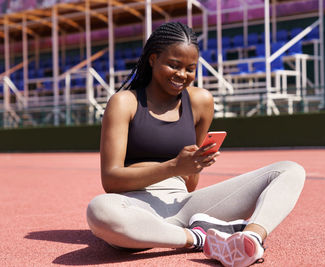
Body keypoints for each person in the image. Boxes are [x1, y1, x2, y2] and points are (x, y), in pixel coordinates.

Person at [86, 21, 306, 267]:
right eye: (174, 65)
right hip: (135, 206)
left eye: (190, 68)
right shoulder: (124, 102)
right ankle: (199, 237)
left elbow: (190, 185)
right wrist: (173, 167)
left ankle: (250, 237)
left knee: (289, 170)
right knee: (99, 210)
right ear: (153, 59)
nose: (182, 75)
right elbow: (111, 180)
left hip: (183, 205)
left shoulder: (201, 101)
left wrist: (195, 165)